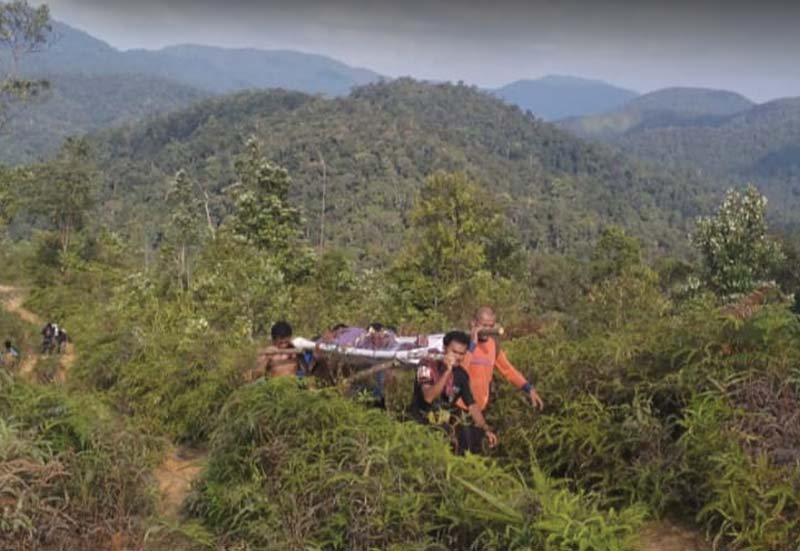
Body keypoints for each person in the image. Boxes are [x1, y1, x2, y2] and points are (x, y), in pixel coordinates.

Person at [412, 330, 498, 454]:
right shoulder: (427, 365)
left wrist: (486, 429)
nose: (457, 357)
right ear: (444, 348)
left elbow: (472, 405)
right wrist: (447, 372)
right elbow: (429, 397)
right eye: (454, 352)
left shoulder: (461, 375)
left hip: (443, 433)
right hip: (419, 429)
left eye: (461, 354)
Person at [458, 306, 544, 413]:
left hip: (480, 407)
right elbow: (459, 372)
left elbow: (508, 370)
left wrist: (528, 388)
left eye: (491, 326)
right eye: (484, 325)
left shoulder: (493, 346)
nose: (487, 330)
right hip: (461, 405)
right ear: (474, 323)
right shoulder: (462, 342)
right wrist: (472, 345)